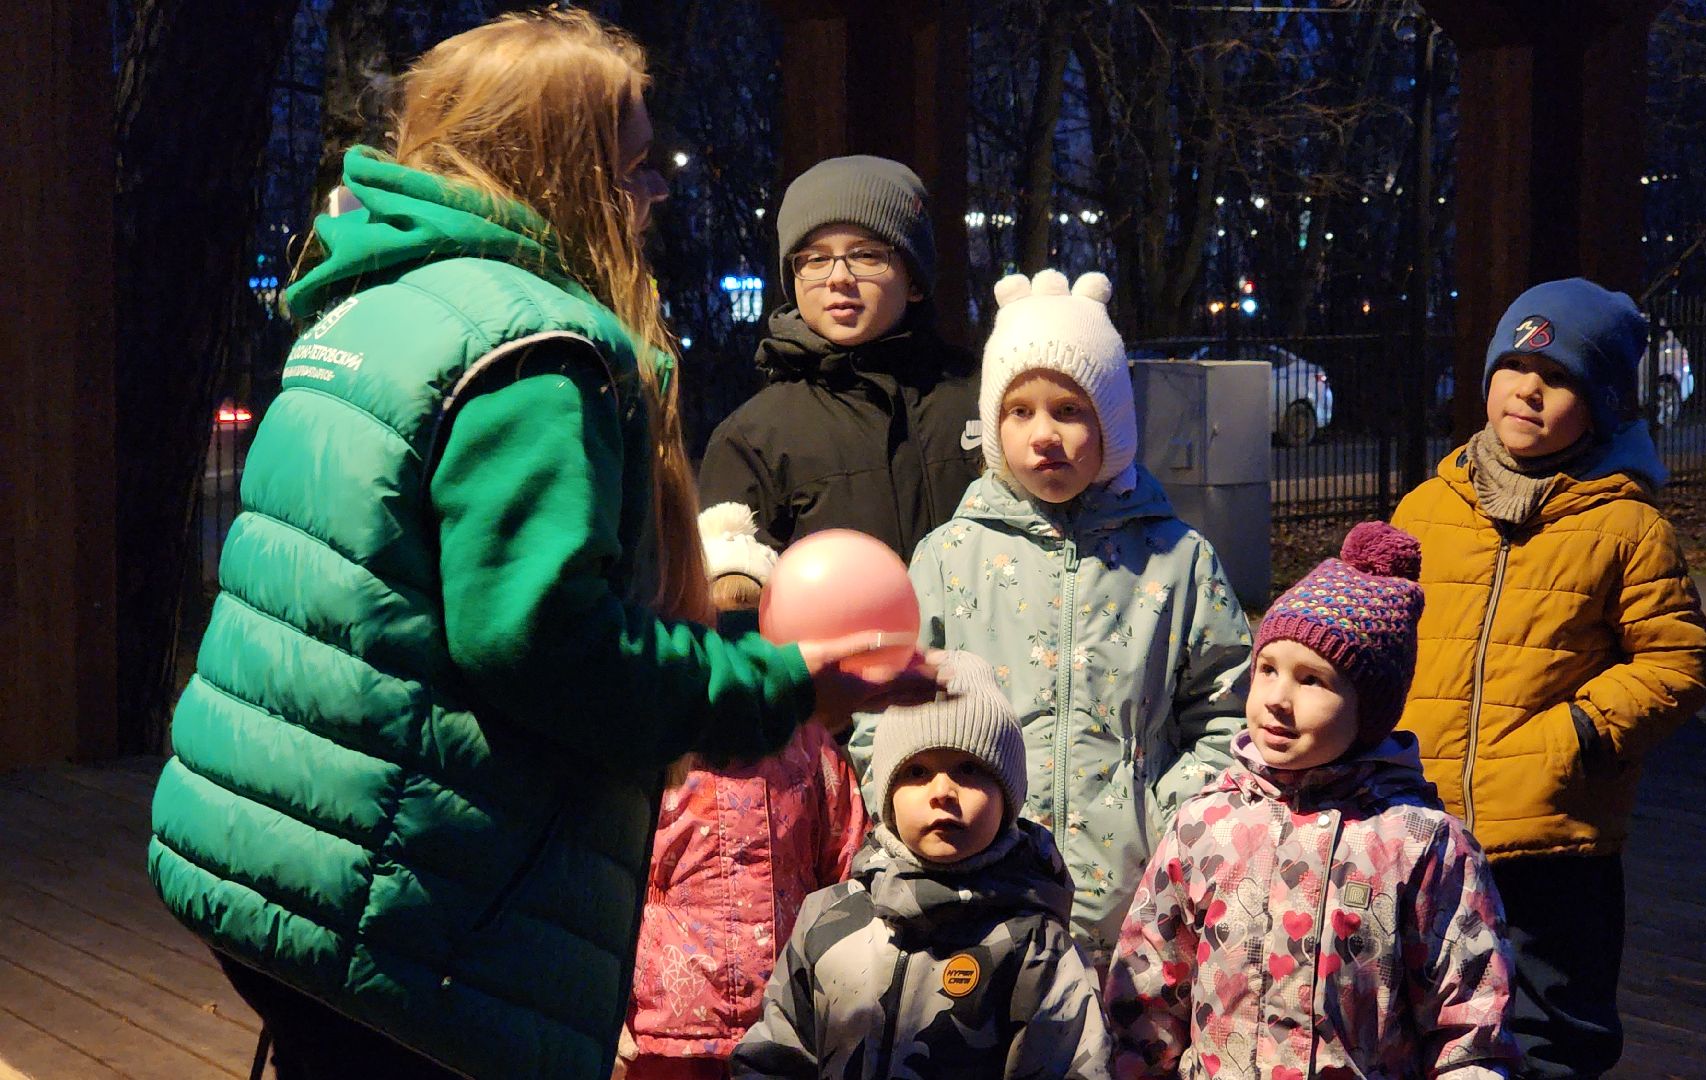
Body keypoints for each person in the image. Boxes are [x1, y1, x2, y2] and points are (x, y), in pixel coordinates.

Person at [145, 12, 929, 1080]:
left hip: (261, 840)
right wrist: (777, 685)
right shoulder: (534, 348)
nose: (656, 194)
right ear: (560, 165)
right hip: (395, 888)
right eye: (636, 165)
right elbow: (544, 644)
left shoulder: (373, 304)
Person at [852, 269, 1253, 969]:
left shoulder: (1176, 559)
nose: (1045, 435)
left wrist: (1176, 814)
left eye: (1070, 410)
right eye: (1021, 412)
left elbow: (1229, 711)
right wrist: (909, 809)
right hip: (977, 895)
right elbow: (882, 707)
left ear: (1113, 424)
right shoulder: (950, 557)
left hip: (1141, 897)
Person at [1391, 278, 1706, 1079]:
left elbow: (1678, 662)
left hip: (1553, 842)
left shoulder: (1627, 527)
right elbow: (1378, 638)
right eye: (1515, 364)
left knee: (1551, 1037)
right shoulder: (1427, 509)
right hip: (1424, 831)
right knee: (1419, 1021)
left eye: (1561, 376)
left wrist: (1579, 733)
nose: (1528, 388)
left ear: (1602, 403)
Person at [1105, 522, 1521, 1080]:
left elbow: (1470, 1023)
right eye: (1268, 670)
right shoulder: (1204, 824)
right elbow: (1148, 995)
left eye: (1313, 680)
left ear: (1368, 710)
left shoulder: (1422, 844)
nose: (1278, 699)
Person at [732, 652, 1112, 1080]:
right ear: (887, 795)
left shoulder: (1036, 946)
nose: (943, 791)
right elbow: (774, 1057)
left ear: (1009, 796)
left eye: (969, 769)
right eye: (916, 771)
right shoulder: (828, 920)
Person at [618, 504, 872, 1080]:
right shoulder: (656, 746)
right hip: (664, 1026)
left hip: (784, 1020)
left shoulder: (808, 745)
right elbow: (610, 879)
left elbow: (847, 863)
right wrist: (610, 1010)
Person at [699, 154, 982, 561]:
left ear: (914, 280)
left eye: (866, 255)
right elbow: (733, 602)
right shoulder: (753, 437)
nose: (838, 277)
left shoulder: (984, 399)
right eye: (815, 259)